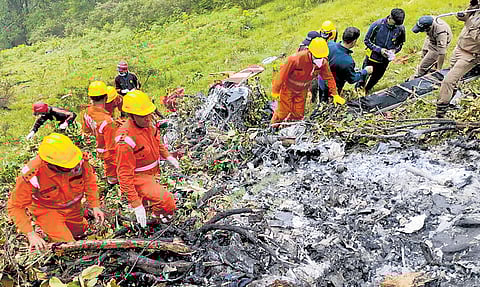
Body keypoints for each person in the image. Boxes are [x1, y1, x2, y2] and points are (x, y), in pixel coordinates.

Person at [7, 133, 104, 250]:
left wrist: (95, 205)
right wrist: (30, 234)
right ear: (50, 164)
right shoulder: (33, 173)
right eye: (66, 167)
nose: (72, 168)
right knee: (69, 245)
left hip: (74, 208)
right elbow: (15, 206)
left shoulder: (79, 160)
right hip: (48, 211)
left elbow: (90, 181)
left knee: (80, 233)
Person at [115, 90, 179, 227]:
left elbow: (157, 142)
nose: (148, 118)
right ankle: (155, 218)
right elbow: (124, 175)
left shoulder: (148, 125)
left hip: (153, 173)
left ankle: (154, 216)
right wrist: (136, 204)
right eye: (143, 116)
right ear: (131, 116)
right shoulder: (125, 140)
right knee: (167, 200)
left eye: (148, 114)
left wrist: (168, 156)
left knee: (151, 201)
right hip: (139, 177)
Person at [271, 38, 343, 124]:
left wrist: (335, 94)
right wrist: (275, 91)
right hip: (288, 88)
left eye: (321, 57)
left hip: (302, 90)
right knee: (283, 113)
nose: (319, 59)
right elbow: (281, 75)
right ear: (310, 51)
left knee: (298, 114)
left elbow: (328, 77)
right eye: (317, 57)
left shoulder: (323, 62)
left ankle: (290, 127)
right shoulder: (295, 59)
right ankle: (273, 127)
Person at [436, 0, 480, 118]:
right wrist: (463, 16)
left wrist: (469, 23)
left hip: (470, 55)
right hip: (459, 48)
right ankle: (451, 99)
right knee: (453, 78)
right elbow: (466, 19)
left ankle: (441, 112)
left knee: (448, 81)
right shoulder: (475, 8)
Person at [357, 8, 406, 93]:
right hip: (372, 57)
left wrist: (394, 51)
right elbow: (366, 40)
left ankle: (367, 90)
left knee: (376, 77)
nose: (396, 27)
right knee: (363, 77)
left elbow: (400, 44)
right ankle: (358, 90)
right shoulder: (377, 25)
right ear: (390, 18)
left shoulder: (400, 28)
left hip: (385, 60)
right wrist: (380, 50)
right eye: (395, 24)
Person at [83, 81, 118, 185]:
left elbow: (86, 132)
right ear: (106, 97)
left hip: (95, 151)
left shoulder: (87, 112)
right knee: (113, 180)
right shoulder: (108, 122)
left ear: (90, 97)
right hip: (106, 157)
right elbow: (111, 150)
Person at [328, 27, 374, 94]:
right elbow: (351, 79)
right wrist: (365, 71)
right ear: (354, 41)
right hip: (333, 87)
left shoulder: (330, 44)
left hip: (321, 81)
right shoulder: (348, 61)